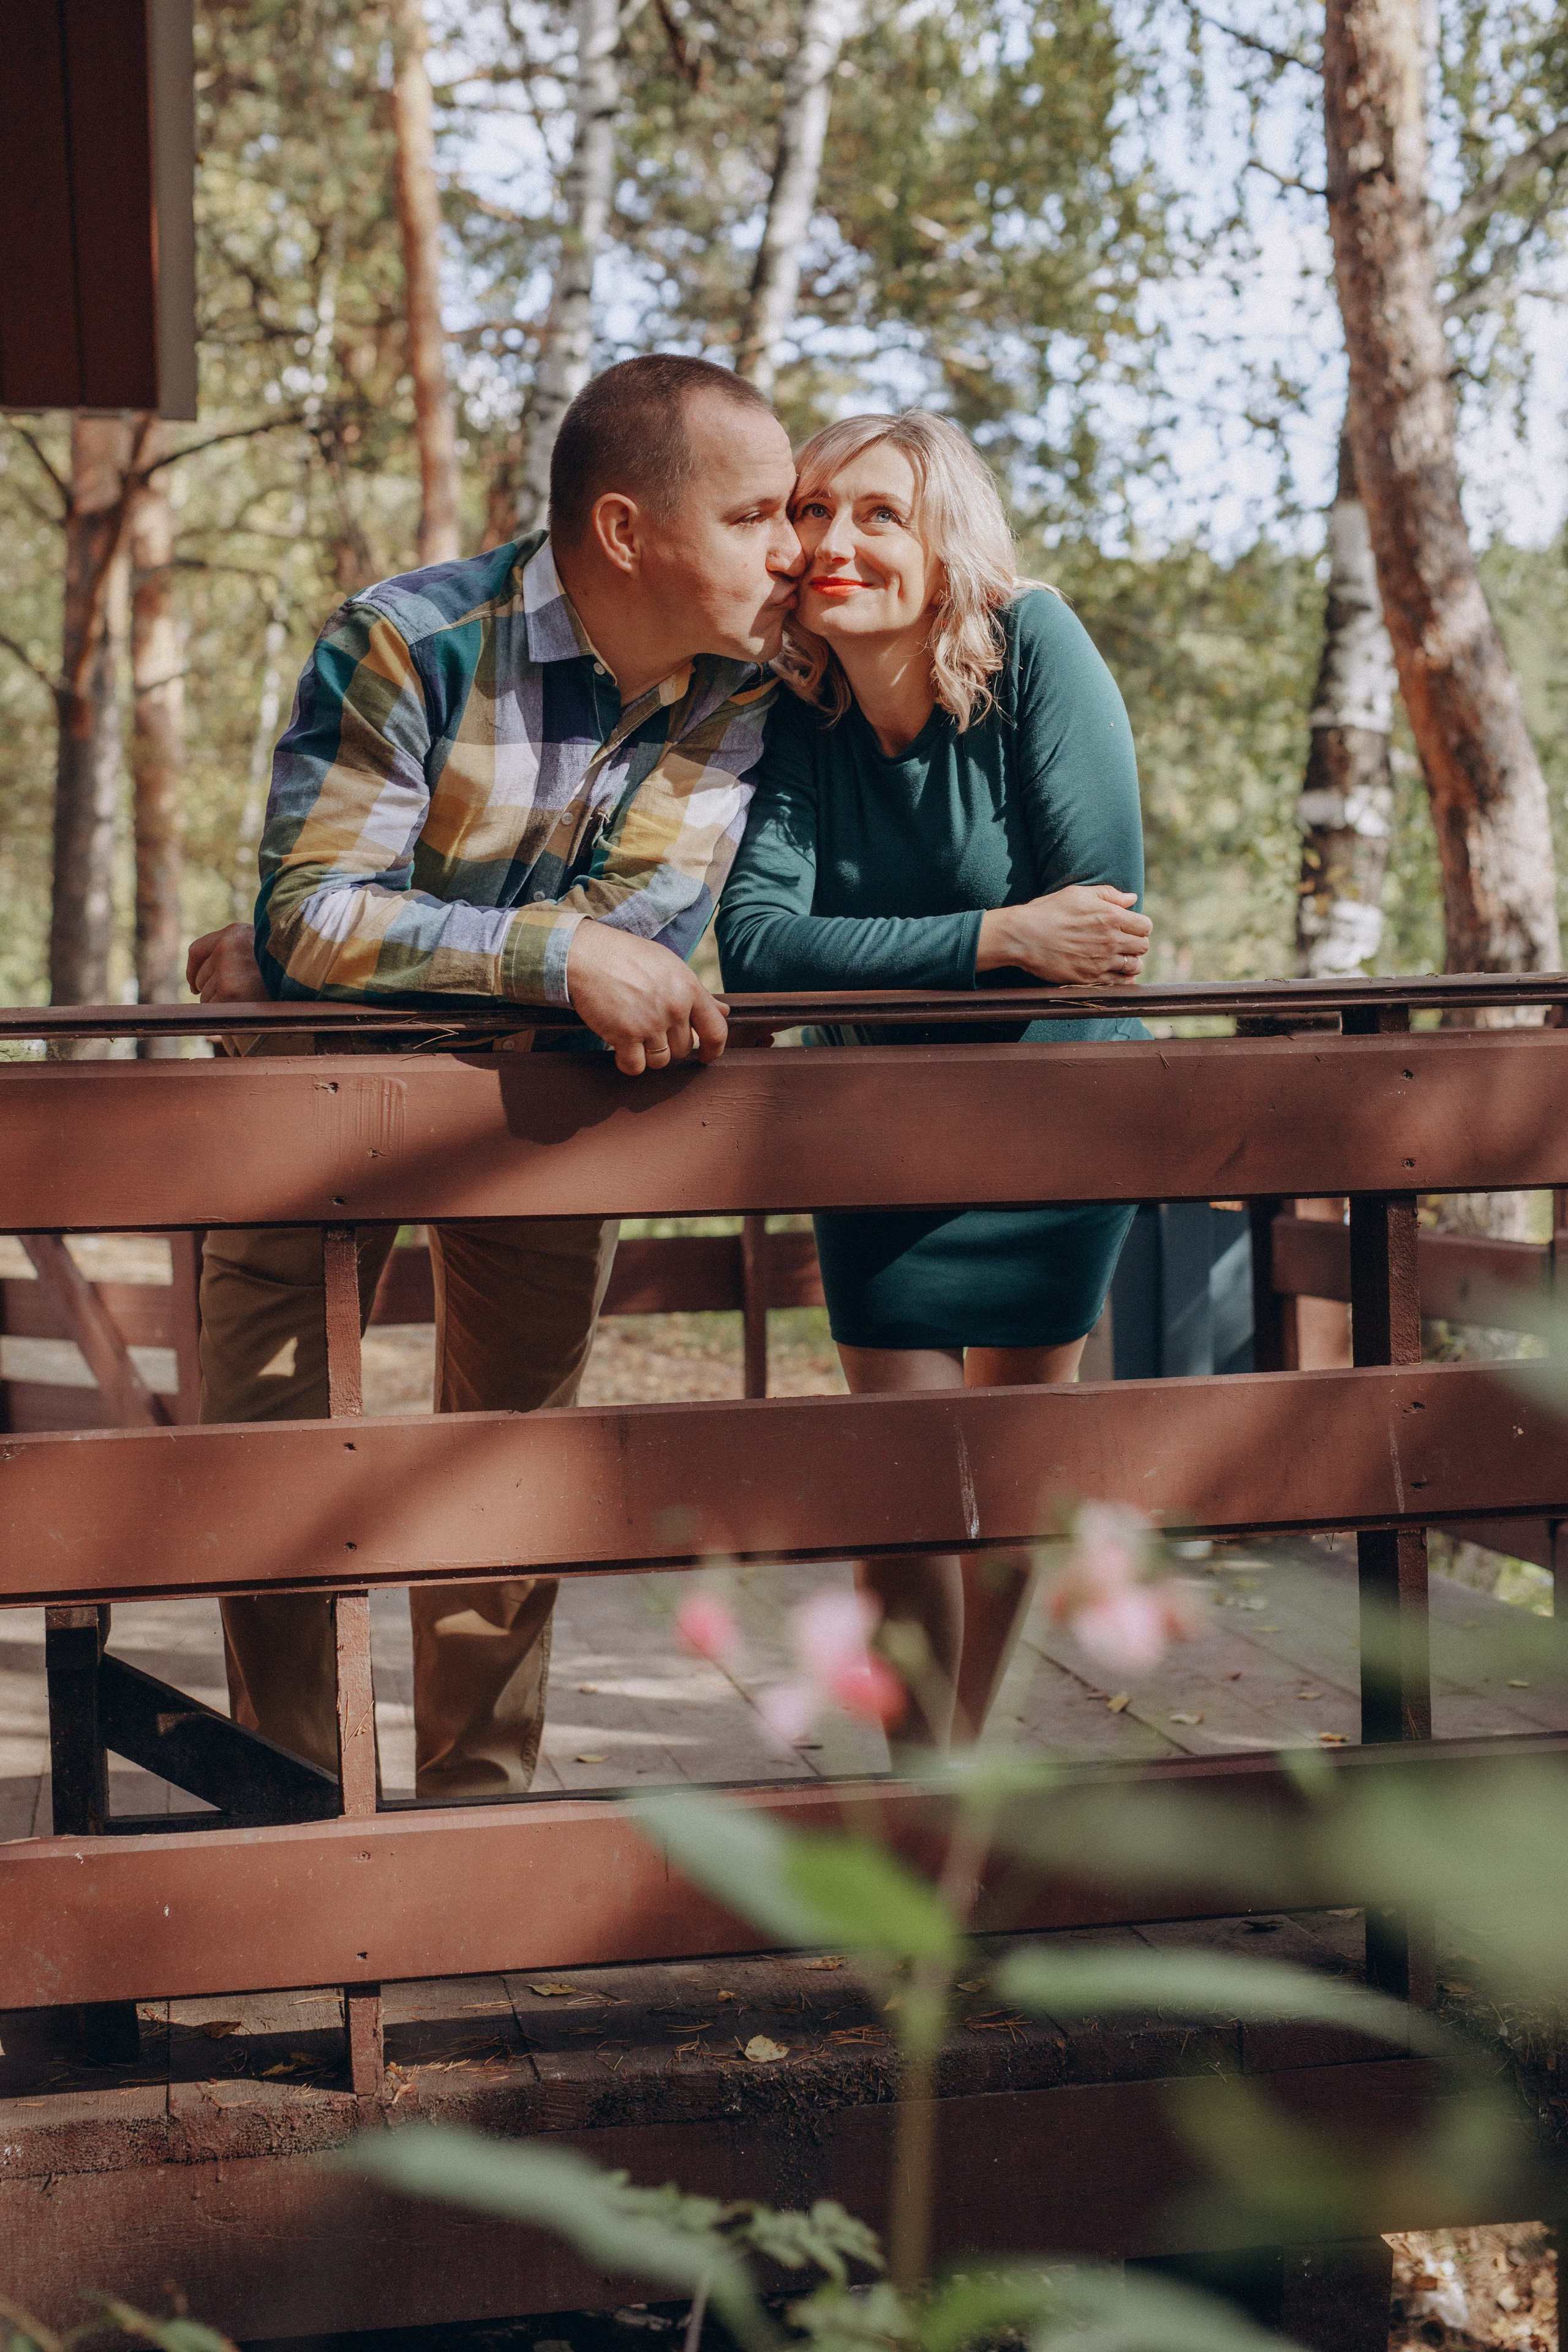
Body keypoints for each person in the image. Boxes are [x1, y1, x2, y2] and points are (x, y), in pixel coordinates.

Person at [187, 353, 802, 1800]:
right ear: (625, 530)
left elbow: (646, 939)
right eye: (755, 514)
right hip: (311, 1114)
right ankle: (286, 1811)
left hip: (543, 1119)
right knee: (262, 1449)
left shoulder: (737, 692)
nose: (792, 550)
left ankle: (478, 1815)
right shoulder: (404, 643)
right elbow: (321, 914)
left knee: (511, 1461)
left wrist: (349, 952)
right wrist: (542, 962)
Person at [715, 409, 1151, 1750]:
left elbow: (1103, 929)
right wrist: (992, 937)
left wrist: (1007, 942)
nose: (832, 542)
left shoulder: (1034, 647)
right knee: (898, 1491)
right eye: (810, 513)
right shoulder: (798, 710)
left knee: (1006, 1487)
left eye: (876, 515)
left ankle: (956, 1795)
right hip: (873, 1139)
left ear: (943, 541)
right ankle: (922, 1794)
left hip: (1053, 1132)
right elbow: (754, 947)